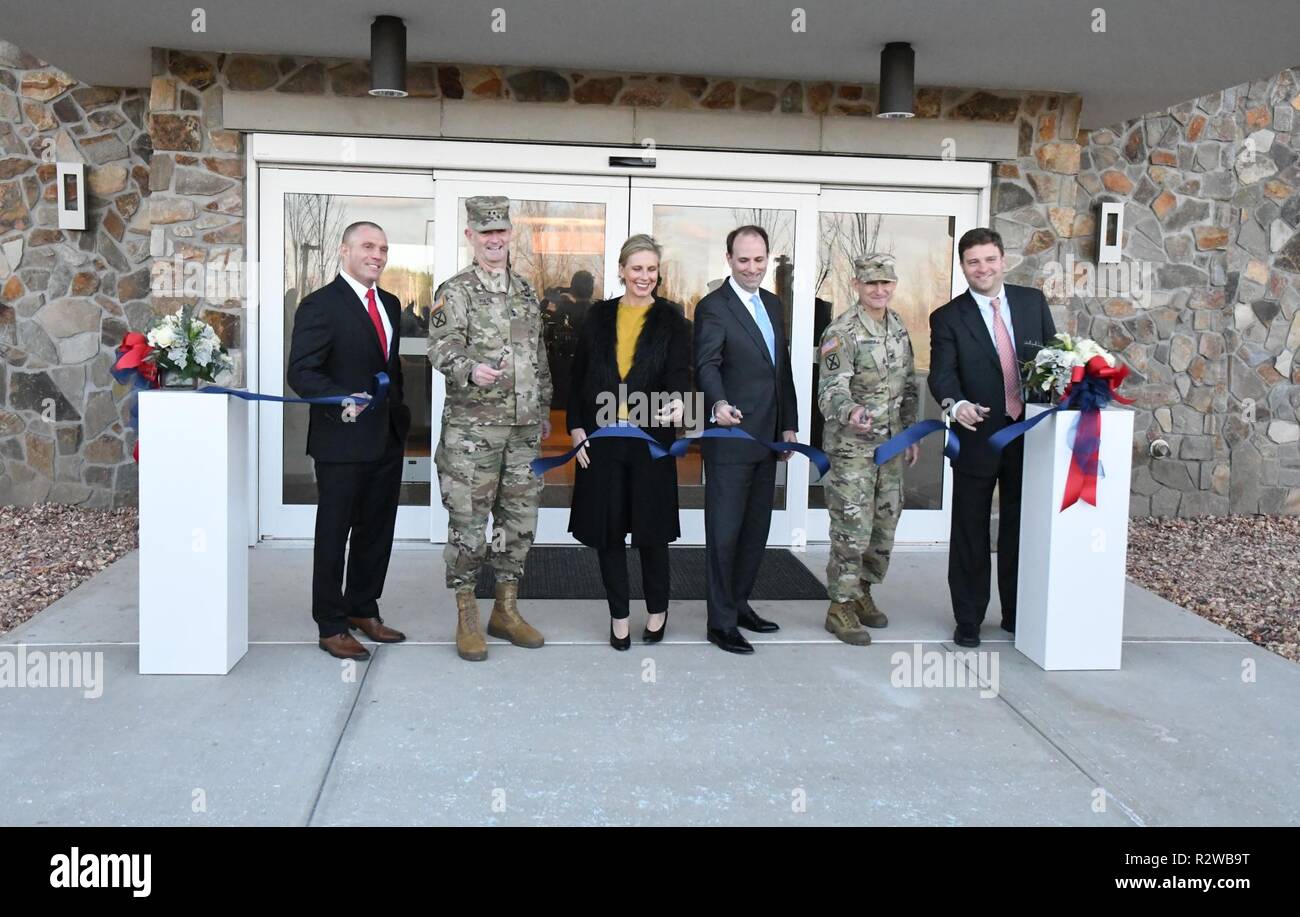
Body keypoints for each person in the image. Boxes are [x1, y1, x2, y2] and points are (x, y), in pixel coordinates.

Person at [427, 196, 552, 662]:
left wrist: (544, 410)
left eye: (501, 231)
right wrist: (470, 368)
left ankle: (506, 611)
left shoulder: (524, 291)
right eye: (486, 233)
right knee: (469, 529)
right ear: (471, 238)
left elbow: (538, 359)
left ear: (509, 234)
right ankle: (466, 617)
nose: (495, 239)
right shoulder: (454, 291)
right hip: (471, 436)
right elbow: (440, 347)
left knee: (518, 525)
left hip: (522, 434)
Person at [286, 221, 411, 661]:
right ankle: (331, 623)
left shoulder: (392, 304)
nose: (376, 254)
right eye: (367, 246)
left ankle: (363, 608)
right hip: (341, 440)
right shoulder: (320, 305)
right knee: (335, 532)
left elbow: (389, 369)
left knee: (377, 531)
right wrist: (340, 397)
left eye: (383, 247)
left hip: (386, 438)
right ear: (344, 251)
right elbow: (301, 373)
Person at [929, 227, 1057, 648]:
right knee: (970, 530)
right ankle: (968, 618)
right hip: (977, 436)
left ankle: (1018, 613)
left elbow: (1055, 359)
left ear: (1003, 260)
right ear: (963, 267)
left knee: (1022, 528)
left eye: (989, 259)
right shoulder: (947, 317)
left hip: (1029, 435)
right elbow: (942, 374)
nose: (982, 268)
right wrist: (955, 403)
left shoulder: (1032, 302)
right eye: (973, 262)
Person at [566, 235, 691, 650]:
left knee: (652, 534)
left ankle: (658, 610)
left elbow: (679, 376)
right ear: (621, 270)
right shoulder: (598, 316)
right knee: (609, 532)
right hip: (602, 441)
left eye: (651, 269)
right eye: (636, 268)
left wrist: (678, 404)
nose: (644, 277)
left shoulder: (672, 320)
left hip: (649, 442)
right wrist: (576, 426)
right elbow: (578, 374)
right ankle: (619, 615)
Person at [693, 225, 799, 655]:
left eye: (758, 260)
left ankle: (739, 606)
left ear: (767, 258)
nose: (752, 268)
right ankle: (719, 623)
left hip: (768, 439)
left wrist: (788, 424)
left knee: (755, 532)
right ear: (729, 259)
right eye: (743, 260)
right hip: (731, 435)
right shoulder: (713, 307)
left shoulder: (773, 304)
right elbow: (707, 364)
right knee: (724, 534)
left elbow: (782, 369)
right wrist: (717, 404)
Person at [816, 253, 919, 646]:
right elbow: (830, 389)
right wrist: (851, 410)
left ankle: (862, 590)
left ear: (893, 285)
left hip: (890, 447)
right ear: (856, 285)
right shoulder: (842, 331)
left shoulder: (897, 326)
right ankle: (839, 606)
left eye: (886, 283)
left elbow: (908, 384)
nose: (879, 290)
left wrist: (908, 433)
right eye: (871, 283)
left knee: (883, 527)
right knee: (851, 529)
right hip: (852, 449)